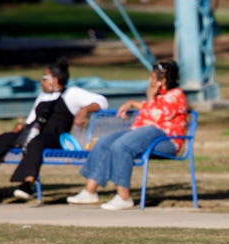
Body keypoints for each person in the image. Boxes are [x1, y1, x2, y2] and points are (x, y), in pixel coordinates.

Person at [0, 60, 107, 206]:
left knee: (37, 142)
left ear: (55, 80)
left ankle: (28, 183)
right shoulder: (43, 96)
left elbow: (102, 101)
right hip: (32, 132)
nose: (41, 81)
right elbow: (32, 120)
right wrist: (22, 126)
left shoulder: (72, 94)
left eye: (44, 78)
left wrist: (84, 110)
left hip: (55, 137)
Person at [66, 60, 188, 210]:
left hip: (166, 139)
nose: (150, 81)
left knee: (122, 146)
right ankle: (90, 191)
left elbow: (158, 115)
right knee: (105, 142)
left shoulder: (177, 95)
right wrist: (131, 103)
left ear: (162, 80)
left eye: (153, 78)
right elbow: (149, 108)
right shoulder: (159, 95)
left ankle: (123, 196)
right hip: (146, 134)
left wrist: (150, 98)